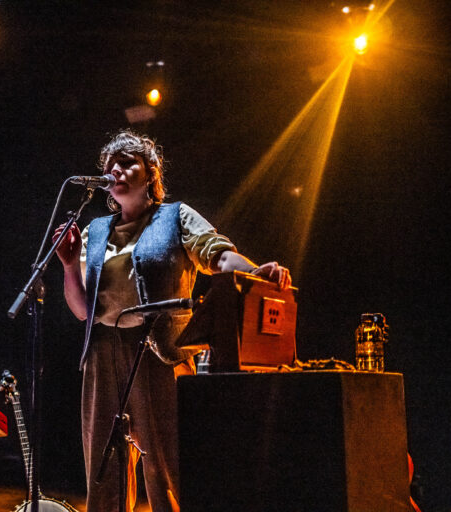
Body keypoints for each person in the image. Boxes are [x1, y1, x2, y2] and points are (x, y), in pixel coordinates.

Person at [53, 130, 291, 512]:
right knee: (104, 473)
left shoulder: (174, 216)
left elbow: (218, 256)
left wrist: (255, 272)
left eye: (128, 161)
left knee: (167, 471)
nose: (116, 169)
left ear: (150, 172)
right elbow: (83, 310)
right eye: (111, 164)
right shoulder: (96, 230)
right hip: (101, 354)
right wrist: (68, 265)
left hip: (159, 353)